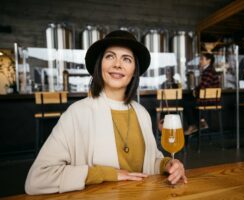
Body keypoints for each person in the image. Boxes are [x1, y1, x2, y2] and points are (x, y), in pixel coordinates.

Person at [25, 30, 187, 195]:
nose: (117, 64)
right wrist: (105, 174)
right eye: (110, 56)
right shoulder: (77, 113)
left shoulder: (142, 113)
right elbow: (36, 179)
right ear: (99, 64)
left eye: (127, 59)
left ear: (134, 71)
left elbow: (150, 162)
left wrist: (167, 165)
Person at [185, 53, 220, 135]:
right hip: (211, 99)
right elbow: (203, 85)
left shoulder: (208, 71)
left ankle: (193, 126)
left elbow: (203, 86)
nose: (200, 61)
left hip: (209, 100)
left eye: (202, 59)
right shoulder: (209, 70)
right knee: (191, 102)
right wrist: (196, 90)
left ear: (209, 61)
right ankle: (202, 121)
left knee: (186, 103)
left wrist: (195, 91)